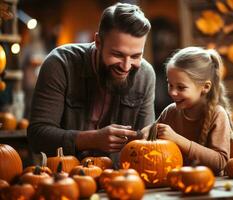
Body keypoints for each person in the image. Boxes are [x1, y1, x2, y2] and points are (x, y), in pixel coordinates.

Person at [27, 3, 156, 168]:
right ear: (98, 42)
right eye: (117, 54)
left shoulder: (145, 76)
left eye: (136, 56)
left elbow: (146, 146)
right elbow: (37, 136)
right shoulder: (60, 64)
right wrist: (92, 139)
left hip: (120, 181)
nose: (126, 66)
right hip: (64, 180)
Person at [151, 47, 233, 175]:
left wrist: (177, 139)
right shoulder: (170, 112)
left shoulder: (217, 114)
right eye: (170, 85)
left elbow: (220, 162)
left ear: (205, 87)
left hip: (210, 185)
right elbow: (149, 143)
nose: (172, 92)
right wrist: (145, 132)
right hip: (176, 183)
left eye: (181, 87)